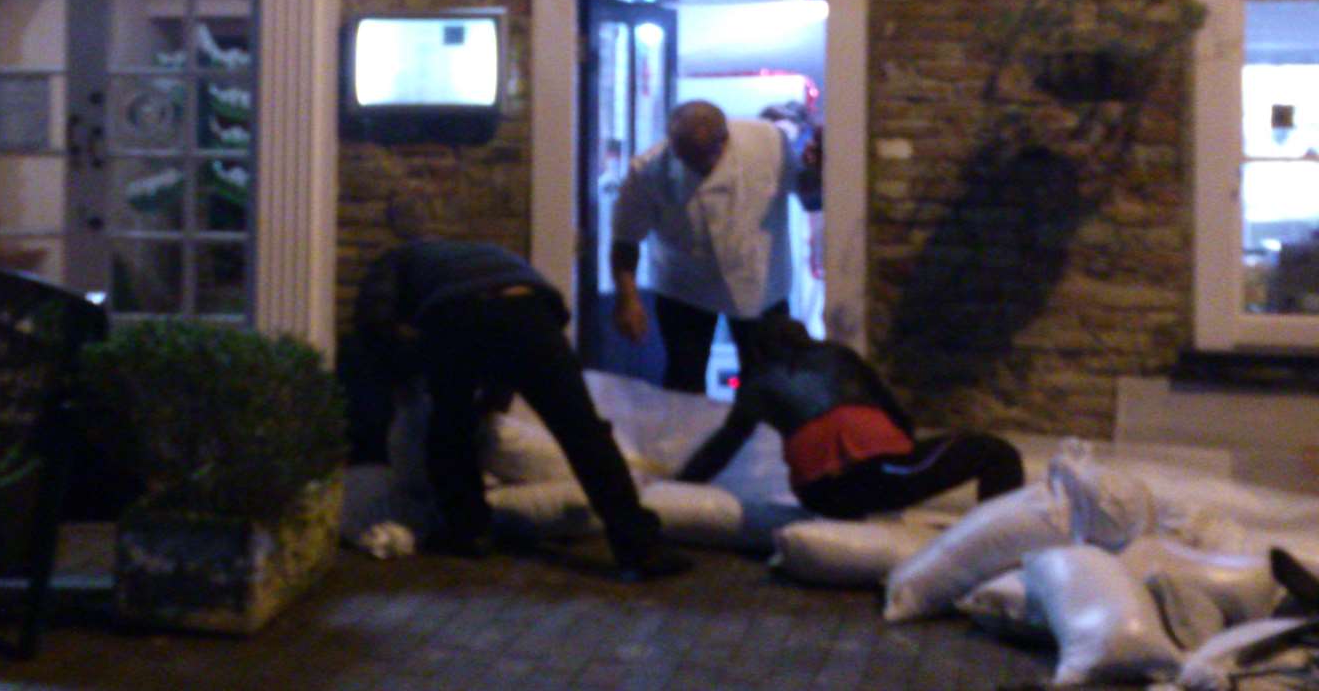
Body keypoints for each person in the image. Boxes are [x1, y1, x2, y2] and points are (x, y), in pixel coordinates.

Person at [348, 197, 689, 581]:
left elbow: (373, 322)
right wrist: (494, 401)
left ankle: (468, 531)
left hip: (458, 313)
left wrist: (405, 373)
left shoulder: (394, 259)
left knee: (449, 426)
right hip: (533, 312)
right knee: (582, 431)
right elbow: (527, 332)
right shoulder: (485, 253)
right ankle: (640, 547)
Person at [677, 312, 1023, 519]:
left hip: (819, 495)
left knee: (894, 469)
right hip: (875, 475)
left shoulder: (756, 384)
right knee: (997, 453)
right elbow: (898, 417)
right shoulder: (836, 358)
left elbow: (722, 447)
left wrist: (679, 487)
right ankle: (996, 546)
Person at [610, 100, 822, 393]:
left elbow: (809, 197)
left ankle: (759, 437)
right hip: (685, 286)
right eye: (685, 156)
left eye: (702, 157)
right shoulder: (648, 170)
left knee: (768, 380)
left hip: (761, 280)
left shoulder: (768, 142)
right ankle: (685, 438)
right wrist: (627, 298)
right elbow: (626, 239)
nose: (693, 165)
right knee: (684, 379)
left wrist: (821, 170)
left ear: (724, 141)